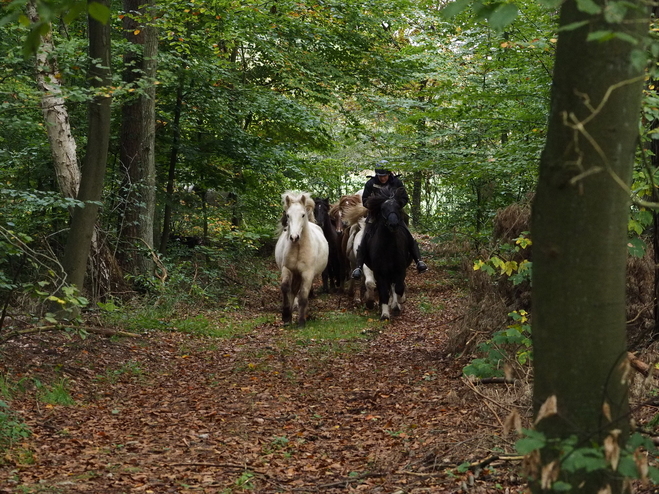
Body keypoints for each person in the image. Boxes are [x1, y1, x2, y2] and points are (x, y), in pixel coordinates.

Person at [351, 167, 428, 279]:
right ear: (377, 175)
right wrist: (375, 206)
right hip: (376, 214)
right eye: (380, 176)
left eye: (384, 176)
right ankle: (358, 267)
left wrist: (395, 206)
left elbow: (404, 198)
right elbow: (365, 200)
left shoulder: (396, 182)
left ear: (389, 174)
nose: (383, 178)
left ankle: (419, 261)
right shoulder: (370, 183)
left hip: (394, 212)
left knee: (406, 231)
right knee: (366, 234)